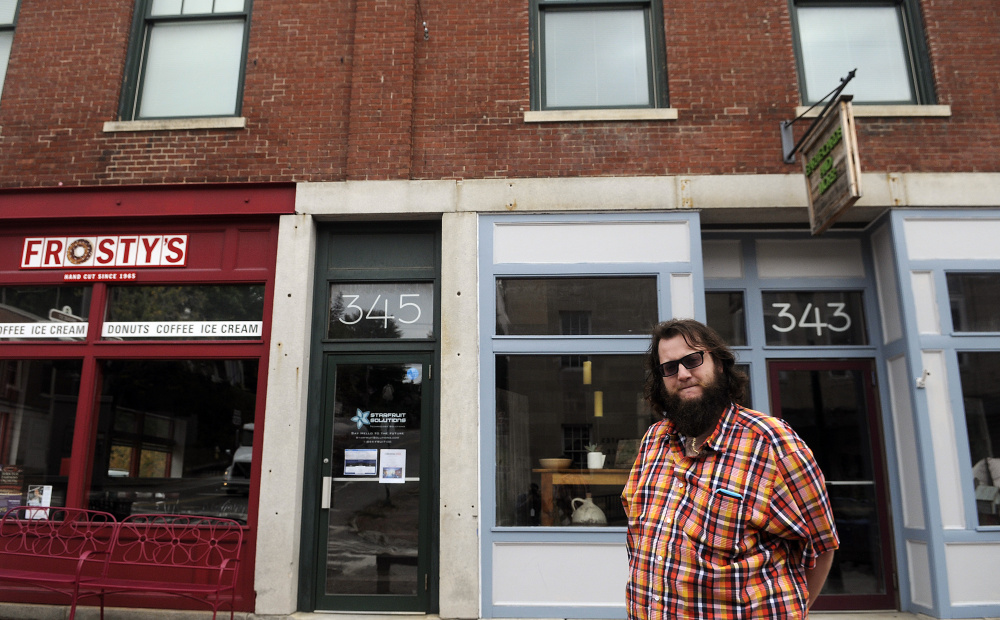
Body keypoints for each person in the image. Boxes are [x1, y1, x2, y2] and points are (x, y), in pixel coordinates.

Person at [622, 319, 838, 618]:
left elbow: (822, 545)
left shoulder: (772, 442)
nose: (683, 374)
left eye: (693, 360)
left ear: (719, 364)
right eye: (669, 368)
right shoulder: (653, 442)